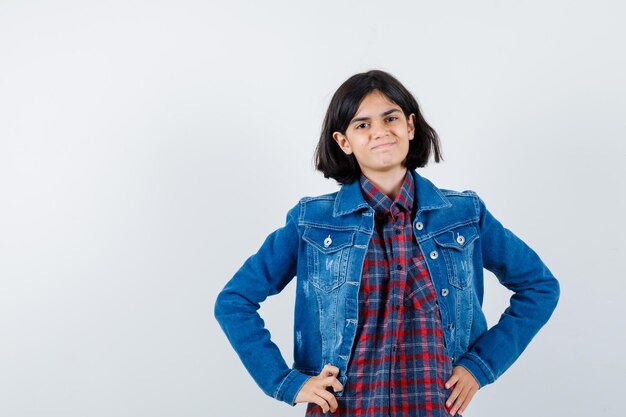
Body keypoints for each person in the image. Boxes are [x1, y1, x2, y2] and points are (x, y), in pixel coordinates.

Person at [214, 70, 560, 416]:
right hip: (344, 408)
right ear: (343, 141)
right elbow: (234, 301)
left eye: (390, 118)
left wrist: (480, 365)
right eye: (362, 124)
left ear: (410, 126)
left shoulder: (464, 214)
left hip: (431, 406)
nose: (380, 131)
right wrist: (287, 382)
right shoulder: (312, 221)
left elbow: (539, 287)